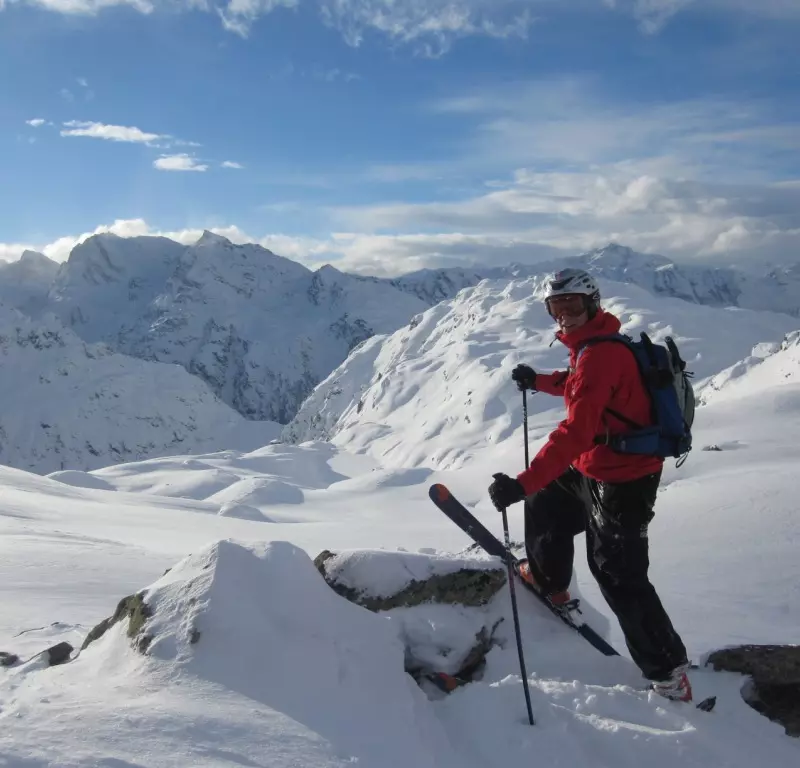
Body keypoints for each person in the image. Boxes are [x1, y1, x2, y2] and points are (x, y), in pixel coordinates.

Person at [487, 268, 692, 703]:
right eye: (556, 307)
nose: (564, 316)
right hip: (594, 466)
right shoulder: (590, 347)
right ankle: (551, 583)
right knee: (548, 505)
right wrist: (539, 381)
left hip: (626, 480)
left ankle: (669, 672)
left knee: (619, 575)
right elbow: (580, 387)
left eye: (573, 305)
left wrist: (520, 483)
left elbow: (576, 431)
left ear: (593, 303)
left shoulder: (599, 353)